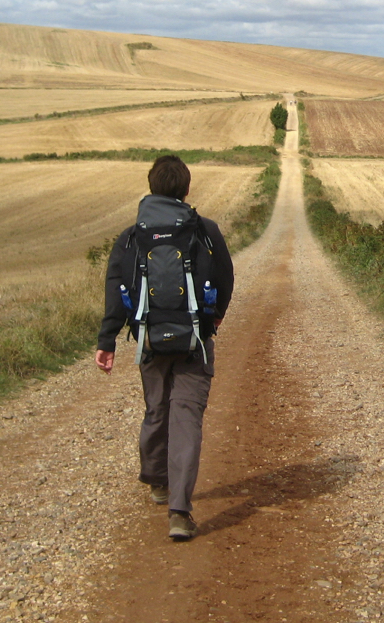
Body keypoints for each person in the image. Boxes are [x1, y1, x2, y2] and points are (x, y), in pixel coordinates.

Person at [95, 155, 234, 541]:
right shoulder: (204, 230)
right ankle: (179, 511)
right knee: (186, 417)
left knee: (157, 409)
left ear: (151, 188)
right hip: (195, 340)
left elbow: (115, 288)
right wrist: (215, 316)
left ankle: (157, 481)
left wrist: (107, 341)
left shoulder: (131, 237)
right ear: (186, 189)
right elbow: (225, 274)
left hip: (150, 341)